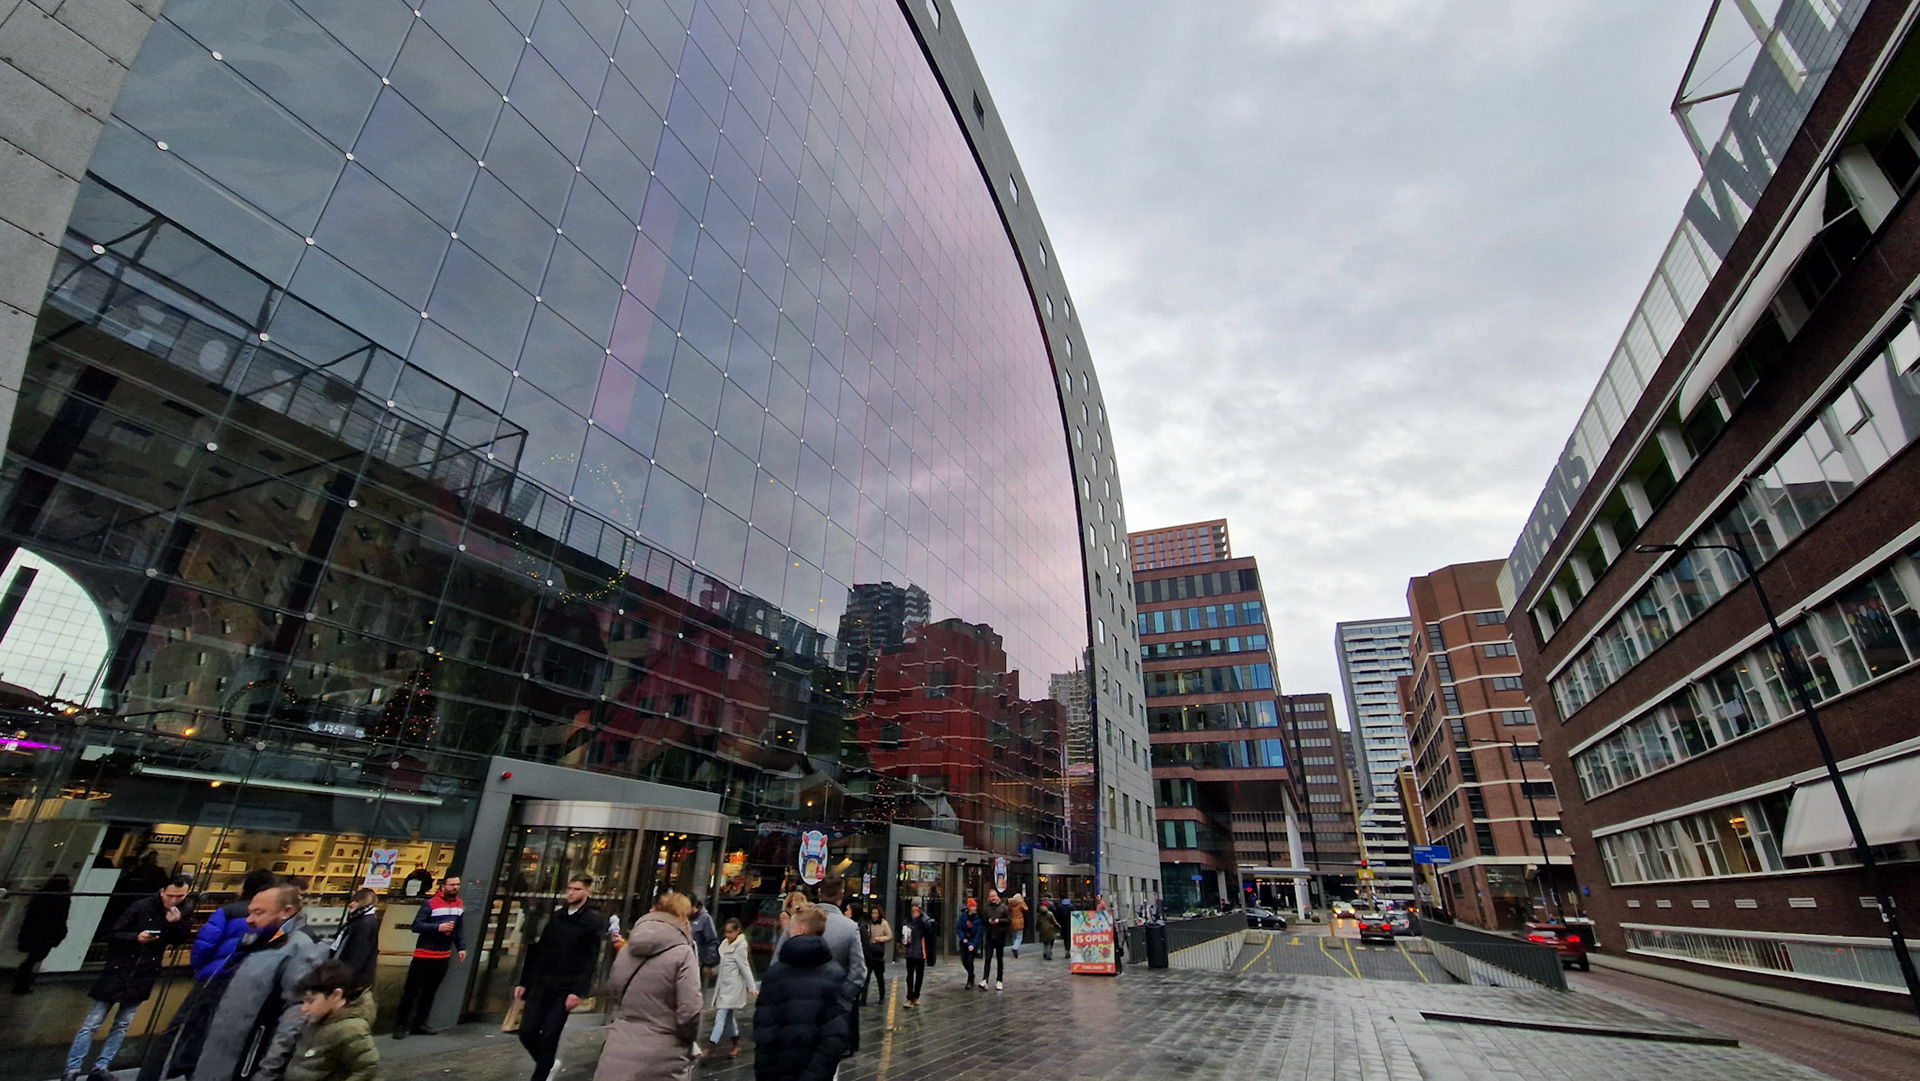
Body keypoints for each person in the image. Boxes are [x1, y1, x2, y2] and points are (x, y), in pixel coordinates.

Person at [138, 869, 279, 1081]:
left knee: (180, 1030)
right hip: (246, 983)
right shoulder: (275, 919)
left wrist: (201, 968)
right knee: (219, 1036)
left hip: (214, 978)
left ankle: (153, 1074)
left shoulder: (229, 911)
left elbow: (204, 945)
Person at [193, 883, 328, 1081]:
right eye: (250, 913)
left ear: (286, 911)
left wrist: (267, 1071)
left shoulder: (303, 948)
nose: (249, 920)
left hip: (248, 1062)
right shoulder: (260, 941)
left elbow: (296, 1013)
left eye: (258, 913)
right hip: (221, 1057)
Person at [67, 873, 192, 1081]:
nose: (174, 901)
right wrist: (136, 937)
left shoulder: (182, 911)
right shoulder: (141, 906)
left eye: (180, 896)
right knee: (93, 1022)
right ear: (162, 891)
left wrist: (175, 923)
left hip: (143, 971)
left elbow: (179, 939)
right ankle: (73, 1068)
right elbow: (113, 934)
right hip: (121, 968)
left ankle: (102, 1066)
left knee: (122, 1023)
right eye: (171, 895)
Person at [593, 891, 700, 1081]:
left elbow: (614, 988)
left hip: (619, 1043)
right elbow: (689, 1010)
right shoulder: (683, 953)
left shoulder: (628, 948)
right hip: (663, 1051)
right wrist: (686, 1039)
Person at [515, 874, 605, 1081]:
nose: (571, 892)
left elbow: (590, 960)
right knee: (527, 1031)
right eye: (570, 888)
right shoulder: (557, 916)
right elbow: (540, 950)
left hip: (565, 986)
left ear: (587, 892)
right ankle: (547, 1063)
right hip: (542, 982)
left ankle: (541, 1074)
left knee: (550, 1034)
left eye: (577, 889)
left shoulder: (592, 922)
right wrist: (525, 981)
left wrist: (578, 991)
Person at [751, 904, 850, 1081]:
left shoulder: (774, 975)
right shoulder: (835, 975)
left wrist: (765, 1071)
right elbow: (834, 1036)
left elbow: (764, 1032)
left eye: (791, 928)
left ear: (800, 930)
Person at [393, 874, 466, 1038]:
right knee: (412, 991)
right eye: (452, 884)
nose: (455, 887)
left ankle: (419, 1023)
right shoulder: (431, 904)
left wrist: (461, 947)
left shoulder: (459, 905)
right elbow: (416, 926)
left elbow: (458, 928)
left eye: (457, 884)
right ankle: (401, 1024)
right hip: (424, 953)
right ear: (443, 886)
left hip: (443, 954)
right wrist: (437, 927)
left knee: (429, 991)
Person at [284, 959, 378, 1081]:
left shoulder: (350, 1029)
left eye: (310, 1001)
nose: (304, 1008)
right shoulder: (318, 1018)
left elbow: (367, 1068)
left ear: (336, 995)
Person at [812, 878, 864, 1056]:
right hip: (834, 1004)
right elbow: (858, 973)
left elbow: (778, 963)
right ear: (841, 895)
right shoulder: (849, 927)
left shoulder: (798, 921)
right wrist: (842, 999)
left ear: (819, 893)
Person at [12, 872, 70, 993]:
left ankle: (21, 981)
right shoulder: (61, 898)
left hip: (34, 930)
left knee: (32, 958)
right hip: (47, 933)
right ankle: (21, 982)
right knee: (34, 958)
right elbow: (60, 917)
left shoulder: (41, 896)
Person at [708, 918, 756, 1058]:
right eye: (726, 932)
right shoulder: (725, 945)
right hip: (724, 987)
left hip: (733, 988)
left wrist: (751, 987)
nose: (727, 935)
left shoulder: (740, 947)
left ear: (738, 931)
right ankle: (736, 1043)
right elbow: (725, 966)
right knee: (728, 1018)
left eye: (730, 932)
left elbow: (744, 967)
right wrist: (713, 971)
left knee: (721, 1016)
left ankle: (711, 1046)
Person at [328, 889, 380, 997]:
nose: (350, 904)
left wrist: (343, 978)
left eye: (355, 901)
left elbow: (357, 954)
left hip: (352, 979)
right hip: (353, 976)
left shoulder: (364, 923)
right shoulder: (361, 919)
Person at [899, 902, 936, 1008]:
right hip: (910, 950)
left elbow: (928, 930)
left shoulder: (924, 919)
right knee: (909, 974)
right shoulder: (907, 920)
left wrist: (920, 919)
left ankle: (916, 995)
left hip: (920, 950)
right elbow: (903, 930)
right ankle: (909, 996)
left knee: (919, 975)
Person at [861, 903, 892, 1006]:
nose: (874, 915)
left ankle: (882, 996)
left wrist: (879, 939)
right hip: (869, 953)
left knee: (879, 977)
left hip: (878, 953)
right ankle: (863, 999)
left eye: (876, 913)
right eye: (873, 913)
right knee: (866, 978)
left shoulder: (883, 923)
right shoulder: (868, 923)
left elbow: (889, 936)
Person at [689, 897, 720, 995]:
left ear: (694, 906)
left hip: (697, 961)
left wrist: (708, 964)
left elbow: (712, 941)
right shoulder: (680, 916)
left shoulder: (705, 918)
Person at [980, 889, 1010, 990]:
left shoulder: (1003, 908)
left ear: (997, 897)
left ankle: (999, 980)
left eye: (994, 896)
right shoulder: (985, 908)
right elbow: (982, 920)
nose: (993, 898)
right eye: (991, 896)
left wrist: (999, 921)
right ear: (989, 898)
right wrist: (989, 921)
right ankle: (985, 980)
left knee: (999, 959)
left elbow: (1008, 920)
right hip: (989, 936)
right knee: (987, 958)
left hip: (1000, 936)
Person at [954, 896, 983, 990]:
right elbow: (959, 928)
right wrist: (963, 938)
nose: (974, 908)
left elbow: (978, 933)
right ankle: (971, 974)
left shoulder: (978, 919)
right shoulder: (963, 917)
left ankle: (970, 979)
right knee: (964, 960)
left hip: (973, 942)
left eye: (975, 906)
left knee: (970, 961)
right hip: (964, 942)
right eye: (972, 906)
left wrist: (973, 944)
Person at [1008, 891, 1028, 958]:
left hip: (1012, 921)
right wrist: (1023, 901)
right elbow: (1026, 908)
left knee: (1014, 936)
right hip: (1019, 921)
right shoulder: (1020, 904)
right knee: (1019, 937)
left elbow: (1008, 910)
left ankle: (1015, 947)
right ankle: (1015, 948)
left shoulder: (1011, 904)